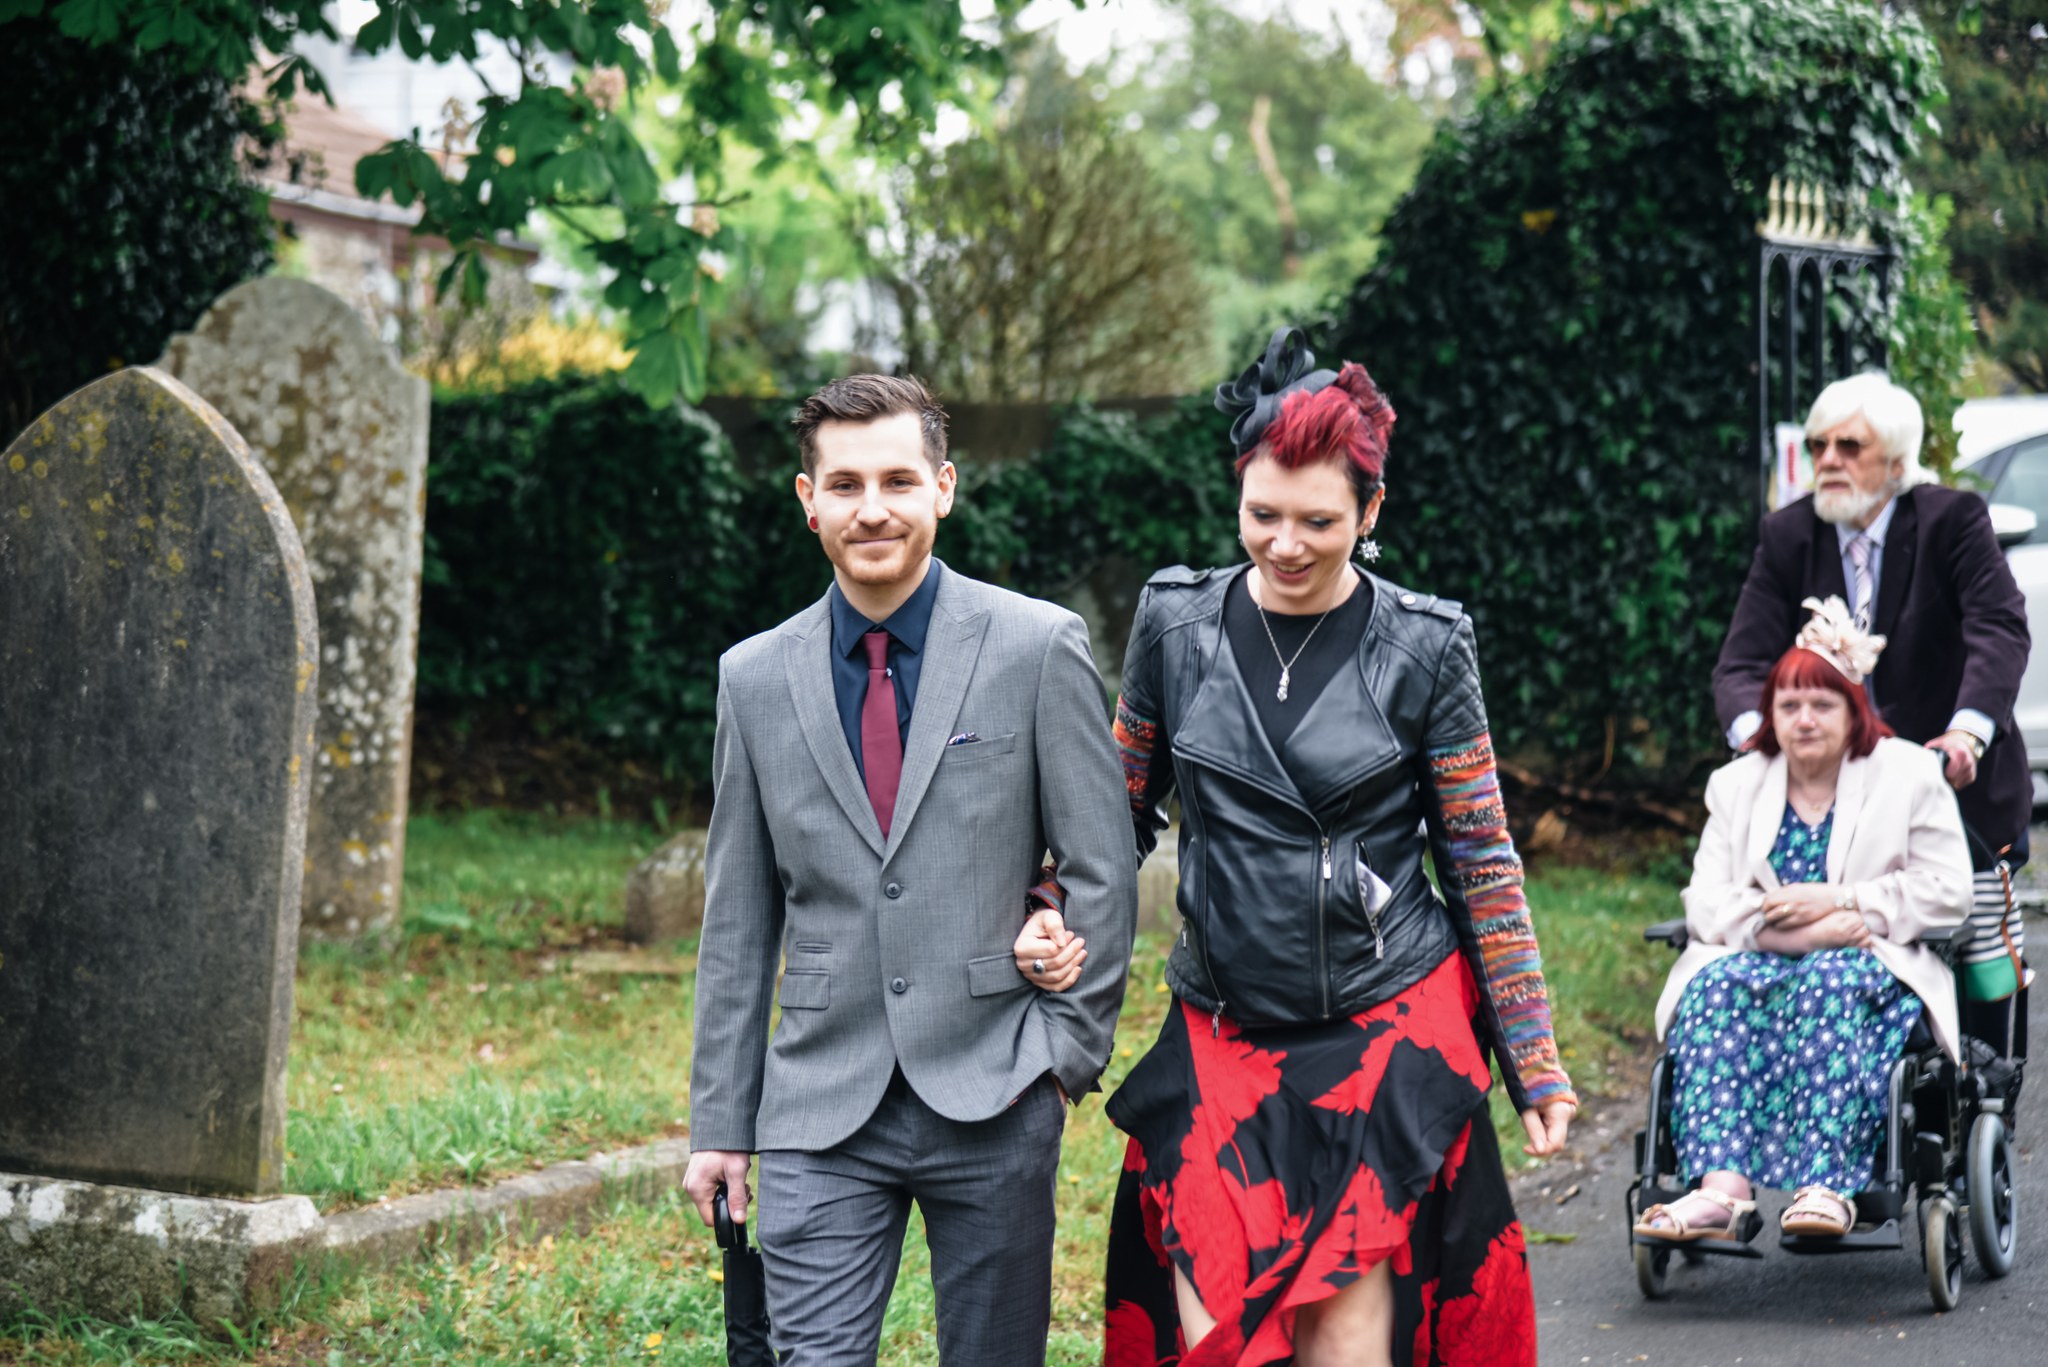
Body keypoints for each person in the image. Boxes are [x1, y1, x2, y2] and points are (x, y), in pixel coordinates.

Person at [1087, 328, 1575, 1367]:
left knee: (1343, 1336)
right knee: (1212, 1325)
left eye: (1318, 521)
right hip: (1221, 1030)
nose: (1285, 543)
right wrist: (1047, 910)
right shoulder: (1173, 624)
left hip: (1378, 1025)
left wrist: (1531, 1058)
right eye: (1261, 514)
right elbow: (1112, 812)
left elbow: (1479, 862)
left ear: (1370, 511)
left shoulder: (1426, 645)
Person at [681, 375, 1138, 1367]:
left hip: (996, 1083)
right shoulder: (753, 678)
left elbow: (1102, 865)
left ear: (943, 486)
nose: (872, 507)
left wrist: (1063, 1053)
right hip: (816, 1100)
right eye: (843, 484)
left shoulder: (1035, 645)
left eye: (896, 478)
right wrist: (721, 1120)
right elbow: (737, 920)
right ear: (807, 501)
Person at [1640, 599, 1971, 1242]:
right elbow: (1706, 900)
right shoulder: (1738, 785)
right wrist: (1800, 932)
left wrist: (1844, 901)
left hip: (1868, 967)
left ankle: (1827, 1183)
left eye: (1822, 704)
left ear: (1854, 712)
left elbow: (1949, 891)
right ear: (1770, 716)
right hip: (1765, 960)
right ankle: (1721, 1192)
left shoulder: (1905, 775)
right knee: (1713, 988)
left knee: (1828, 980)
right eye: (1788, 706)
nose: (1804, 720)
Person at [1713, 372, 2029, 981]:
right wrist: (1760, 743)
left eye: (1849, 447)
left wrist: (1966, 737)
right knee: (1830, 945)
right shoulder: (1788, 534)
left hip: (1954, 784)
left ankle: (1983, 1065)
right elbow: (1741, 663)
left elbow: (1999, 629)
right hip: (1833, 795)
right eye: (1818, 446)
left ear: (1896, 460)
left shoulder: (1952, 520)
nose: (1828, 460)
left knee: (1979, 965)